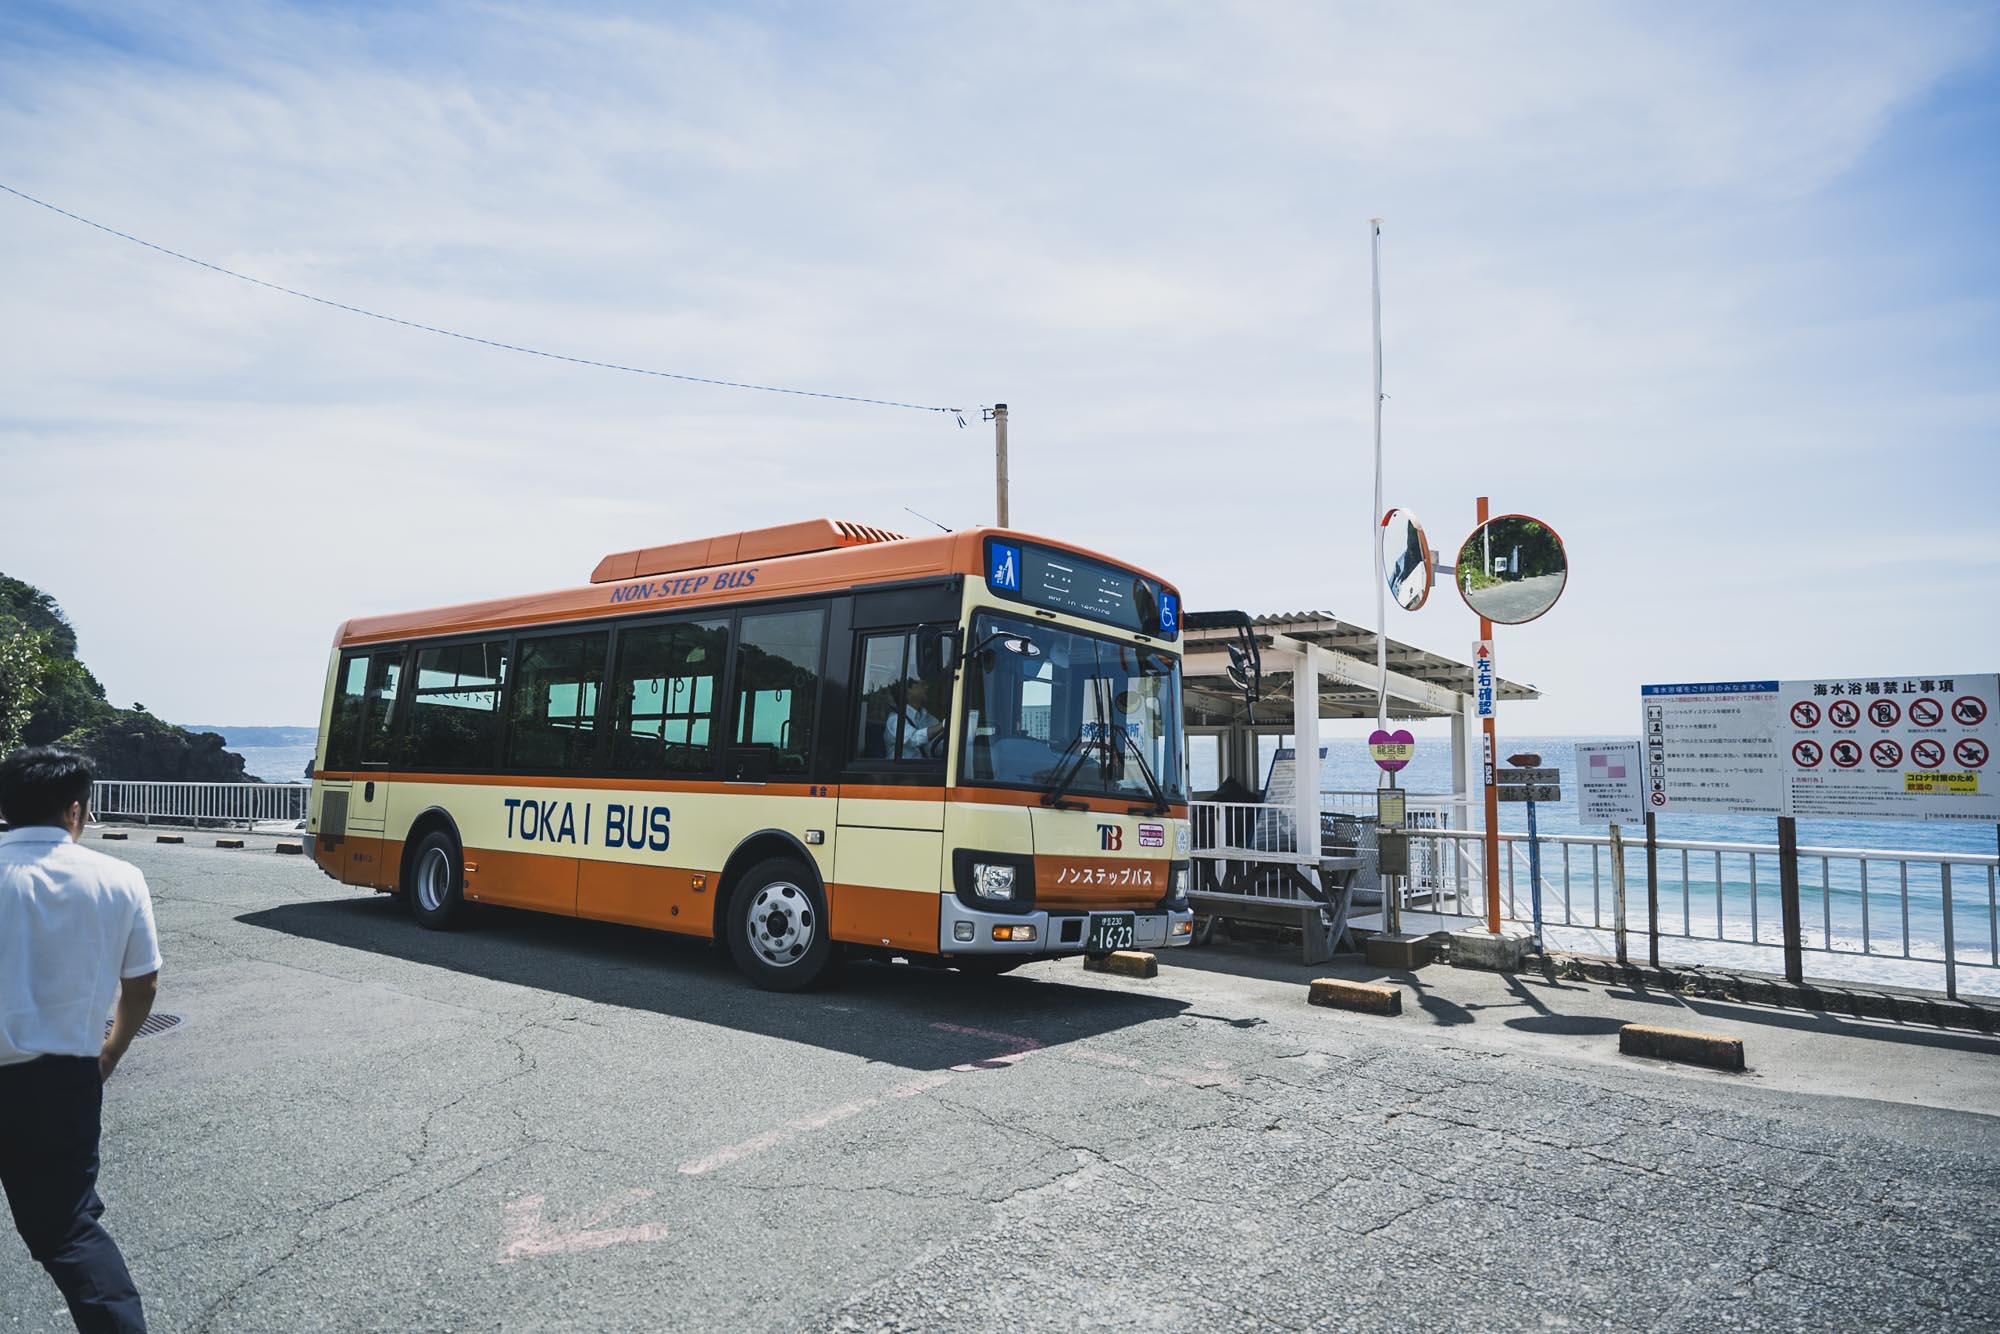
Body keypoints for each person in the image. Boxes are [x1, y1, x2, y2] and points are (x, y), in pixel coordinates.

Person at [0, 747, 157, 1333]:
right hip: (61, 1080)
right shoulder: (119, 879)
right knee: (66, 1230)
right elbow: (142, 986)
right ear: (75, 811)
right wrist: (109, 1053)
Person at [895, 678, 946, 760]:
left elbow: (939, 746)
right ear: (908, 690)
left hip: (928, 769)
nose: (927, 688)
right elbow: (913, 739)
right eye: (922, 685)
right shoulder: (895, 719)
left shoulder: (929, 718)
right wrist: (944, 724)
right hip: (903, 771)